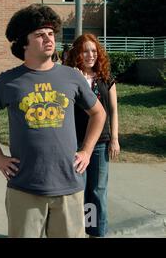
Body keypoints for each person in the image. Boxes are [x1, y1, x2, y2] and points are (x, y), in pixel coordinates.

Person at [0, 4, 106, 238]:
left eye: (50, 34)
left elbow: (99, 113)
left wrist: (86, 151)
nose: (48, 39)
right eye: (39, 35)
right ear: (23, 43)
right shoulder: (7, 81)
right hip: (25, 187)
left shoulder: (72, 76)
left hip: (69, 186)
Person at [65, 33, 120, 237]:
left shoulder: (106, 78)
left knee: (97, 192)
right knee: (78, 192)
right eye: (85, 51)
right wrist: (76, 79)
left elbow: (113, 110)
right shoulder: (69, 77)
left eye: (94, 51)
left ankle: (95, 232)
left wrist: (114, 138)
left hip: (100, 143)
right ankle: (78, 231)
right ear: (78, 53)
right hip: (75, 143)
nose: (90, 55)